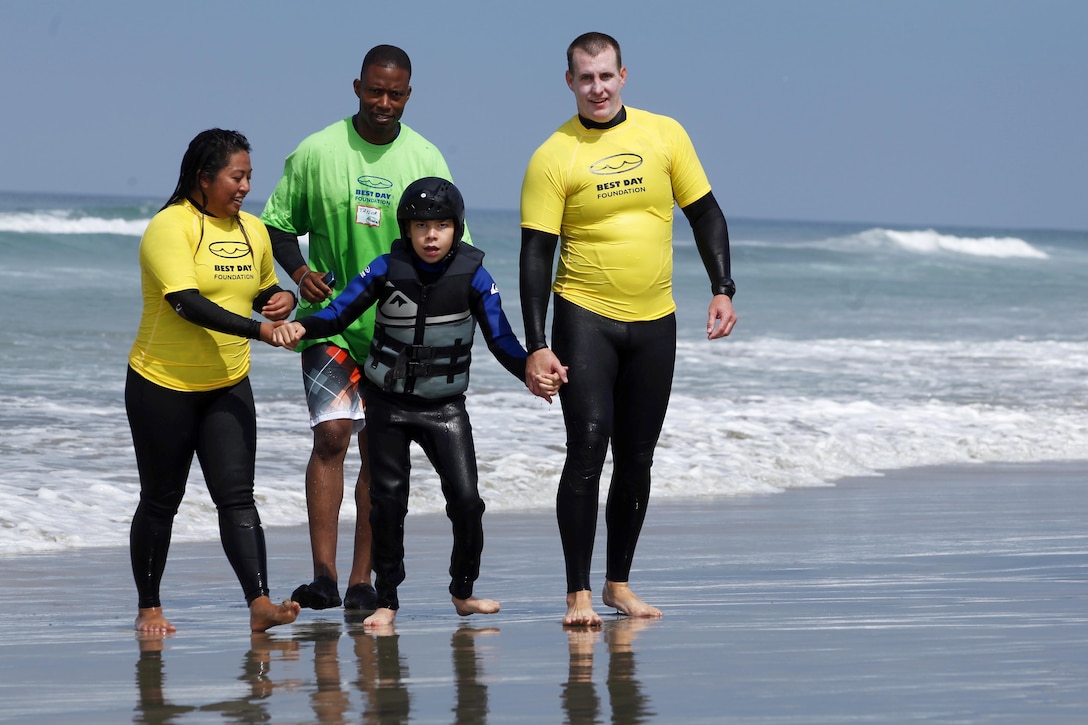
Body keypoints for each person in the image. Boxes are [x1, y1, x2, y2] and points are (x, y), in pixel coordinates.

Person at [519, 32, 738, 626]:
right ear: (569, 82)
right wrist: (537, 344)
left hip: (654, 322)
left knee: (637, 456)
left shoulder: (664, 135)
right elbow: (535, 254)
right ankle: (577, 594)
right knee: (587, 448)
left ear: (623, 76)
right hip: (583, 316)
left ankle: (618, 584)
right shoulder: (552, 155)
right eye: (585, 77)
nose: (597, 87)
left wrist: (722, 287)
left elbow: (705, 213)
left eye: (607, 76)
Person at [273, 177, 560, 628]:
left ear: (456, 229)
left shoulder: (475, 276)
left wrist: (529, 369)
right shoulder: (385, 268)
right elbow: (337, 314)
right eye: (422, 225)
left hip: (445, 409)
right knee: (388, 503)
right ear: (407, 228)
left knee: (467, 502)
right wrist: (300, 328)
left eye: (442, 225)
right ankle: (386, 598)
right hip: (387, 405)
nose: (431, 235)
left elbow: (501, 338)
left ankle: (462, 591)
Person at [261, 44, 470, 612]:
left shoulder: (425, 158)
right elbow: (277, 225)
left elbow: (450, 246)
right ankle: (322, 576)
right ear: (356, 87)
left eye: (394, 93)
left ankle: (360, 582)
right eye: (374, 90)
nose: (383, 102)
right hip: (331, 324)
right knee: (332, 435)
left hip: (399, 332)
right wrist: (299, 272)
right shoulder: (318, 151)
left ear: (408, 94)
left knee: (380, 450)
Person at [126, 128, 301, 634]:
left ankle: (260, 603)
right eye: (236, 176)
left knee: (237, 496)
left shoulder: (253, 230)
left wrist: (282, 300)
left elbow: (263, 290)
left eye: (248, 176)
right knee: (162, 499)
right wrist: (260, 329)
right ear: (204, 179)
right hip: (163, 384)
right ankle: (149, 607)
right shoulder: (170, 226)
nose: (245, 187)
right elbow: (187, 302)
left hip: (227, 382)